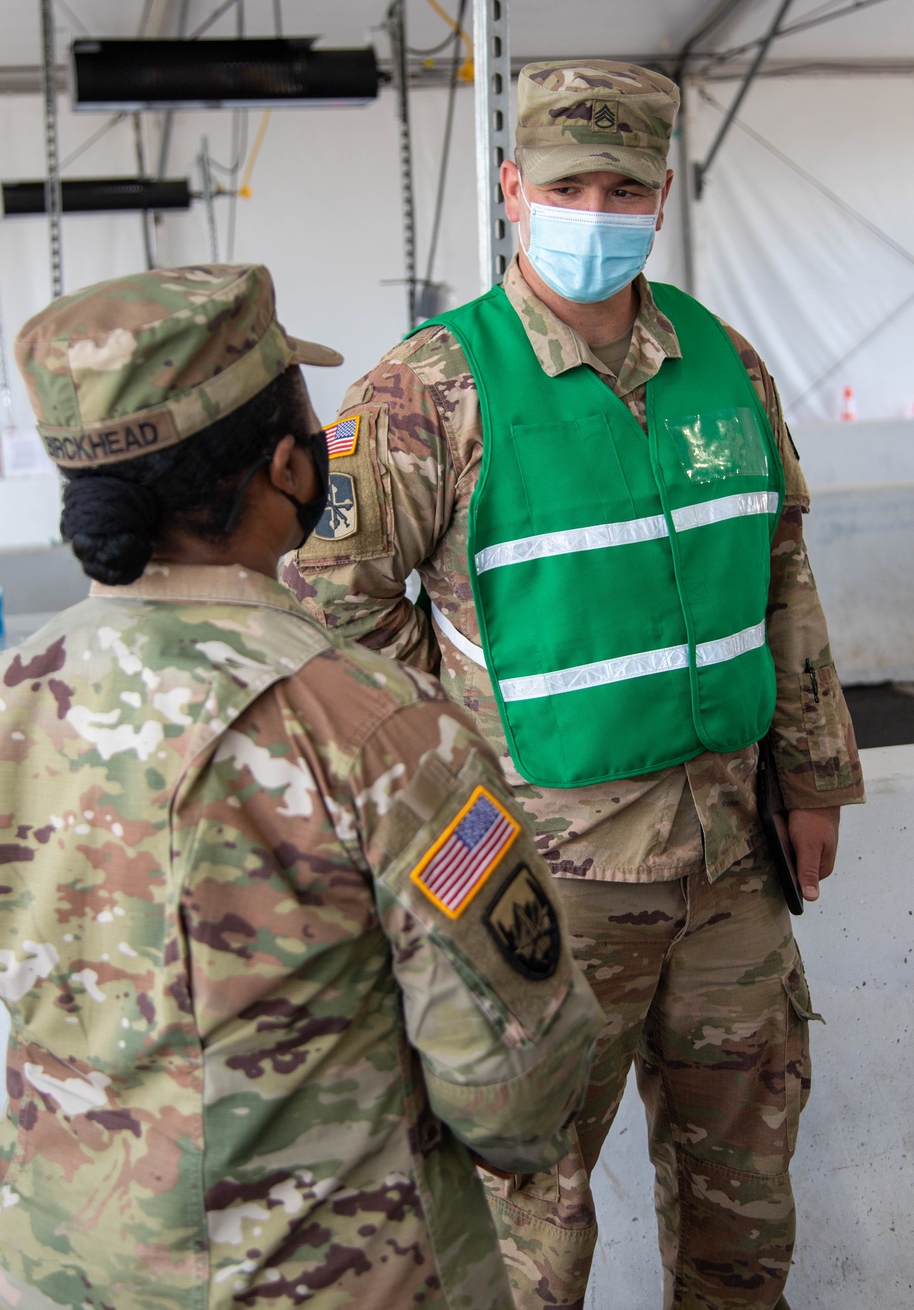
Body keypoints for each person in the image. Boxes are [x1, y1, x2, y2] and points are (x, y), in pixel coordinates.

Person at [282, 63, 865, 1310]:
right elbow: (339, 628)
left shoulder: (721, 362)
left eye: (621, 188)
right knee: (525, 1224)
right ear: (511, 188)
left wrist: (812, 777)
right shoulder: (422, 392)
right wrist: (449, 808)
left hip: (732, 864)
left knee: (742, 1194)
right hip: (541, 886)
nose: (591, 211)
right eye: (564, 185)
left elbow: (780, 573)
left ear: (658, 198)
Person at [0, 263, 606, 1310]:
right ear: (285, 466)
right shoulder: (375, 725)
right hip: (337, 1275)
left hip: (64, 1264)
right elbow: (512, 1083)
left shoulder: (17, 693)